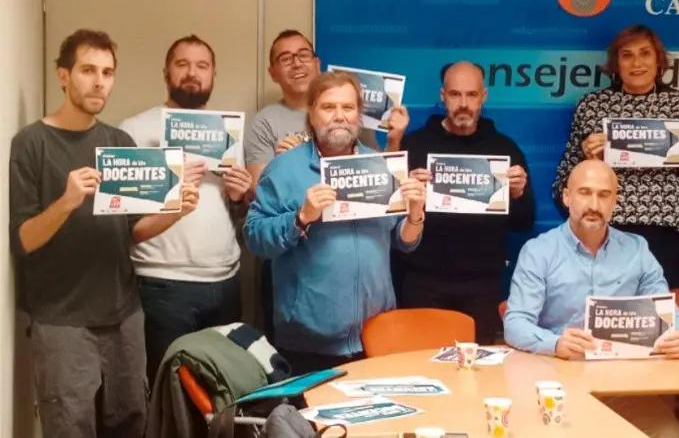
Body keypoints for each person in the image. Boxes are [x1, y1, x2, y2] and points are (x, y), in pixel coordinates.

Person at [8, 29, 199, 438]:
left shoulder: (119, 142)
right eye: (88, 70)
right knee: (69, 427)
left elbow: (132, 231)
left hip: (123, 315)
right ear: (63, 76)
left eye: (108, 72)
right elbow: (23, 240)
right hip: (62, 320)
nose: (99, 82)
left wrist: (175, 213)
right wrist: (66, 201)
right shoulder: (31, 143)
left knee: (131, 421)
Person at [244, 71, 426, 375]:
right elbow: (254, 238)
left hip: (375, 337)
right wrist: (301, 218)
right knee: (309, 423)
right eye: (328, 107)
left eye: (348, 107)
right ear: (312, 114)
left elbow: (403, 242)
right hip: (308, 342)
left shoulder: (381, 166)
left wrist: (416, 214)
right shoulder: (284, 169)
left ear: (359, 114)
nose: (339, 116)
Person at [504, 160, 679, 438]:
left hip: (622, 385)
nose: (594, 204)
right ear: (567, 197)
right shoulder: (538, 251)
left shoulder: (637, 250)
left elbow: (668, 311)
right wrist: (556, 344)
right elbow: (515, 323)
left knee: (668, 434)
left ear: (615, 201)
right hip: (554, 382)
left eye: (604, 195)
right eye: (584, 193)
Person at [119, 34, 253, 381]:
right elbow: (124, 221)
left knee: (223, 388)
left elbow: (236, 213)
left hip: (223, 281)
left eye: (202, 66)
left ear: (212, 75)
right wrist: (170, 185)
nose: (192, 73)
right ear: (166, 72)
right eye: (182, 64)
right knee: (169, 390)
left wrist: (240, 196)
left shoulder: (228, 135)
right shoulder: (134, 130)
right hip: (162, 284)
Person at [552, 24, 679, 289]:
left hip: (666, 225)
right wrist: (587, 159)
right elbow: (565, 181)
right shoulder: (592, 106)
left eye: (645, 53)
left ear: (659, 61)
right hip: (608, 222)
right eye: (627, 55)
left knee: (659, 312)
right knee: (607, 310)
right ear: (616, 64)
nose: (637, 63)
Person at [400, 61, 535, 343]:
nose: (463, 104)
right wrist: (408, 192)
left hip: (482, 285)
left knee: (478, 374)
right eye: (455, 94)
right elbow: (390, 222)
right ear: (442, 95)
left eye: (471, 95)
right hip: (422, 281)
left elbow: (525, 223)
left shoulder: (505, 150)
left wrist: (517, 194)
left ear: (484, 96)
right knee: (418, 368)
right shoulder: (414, 146)